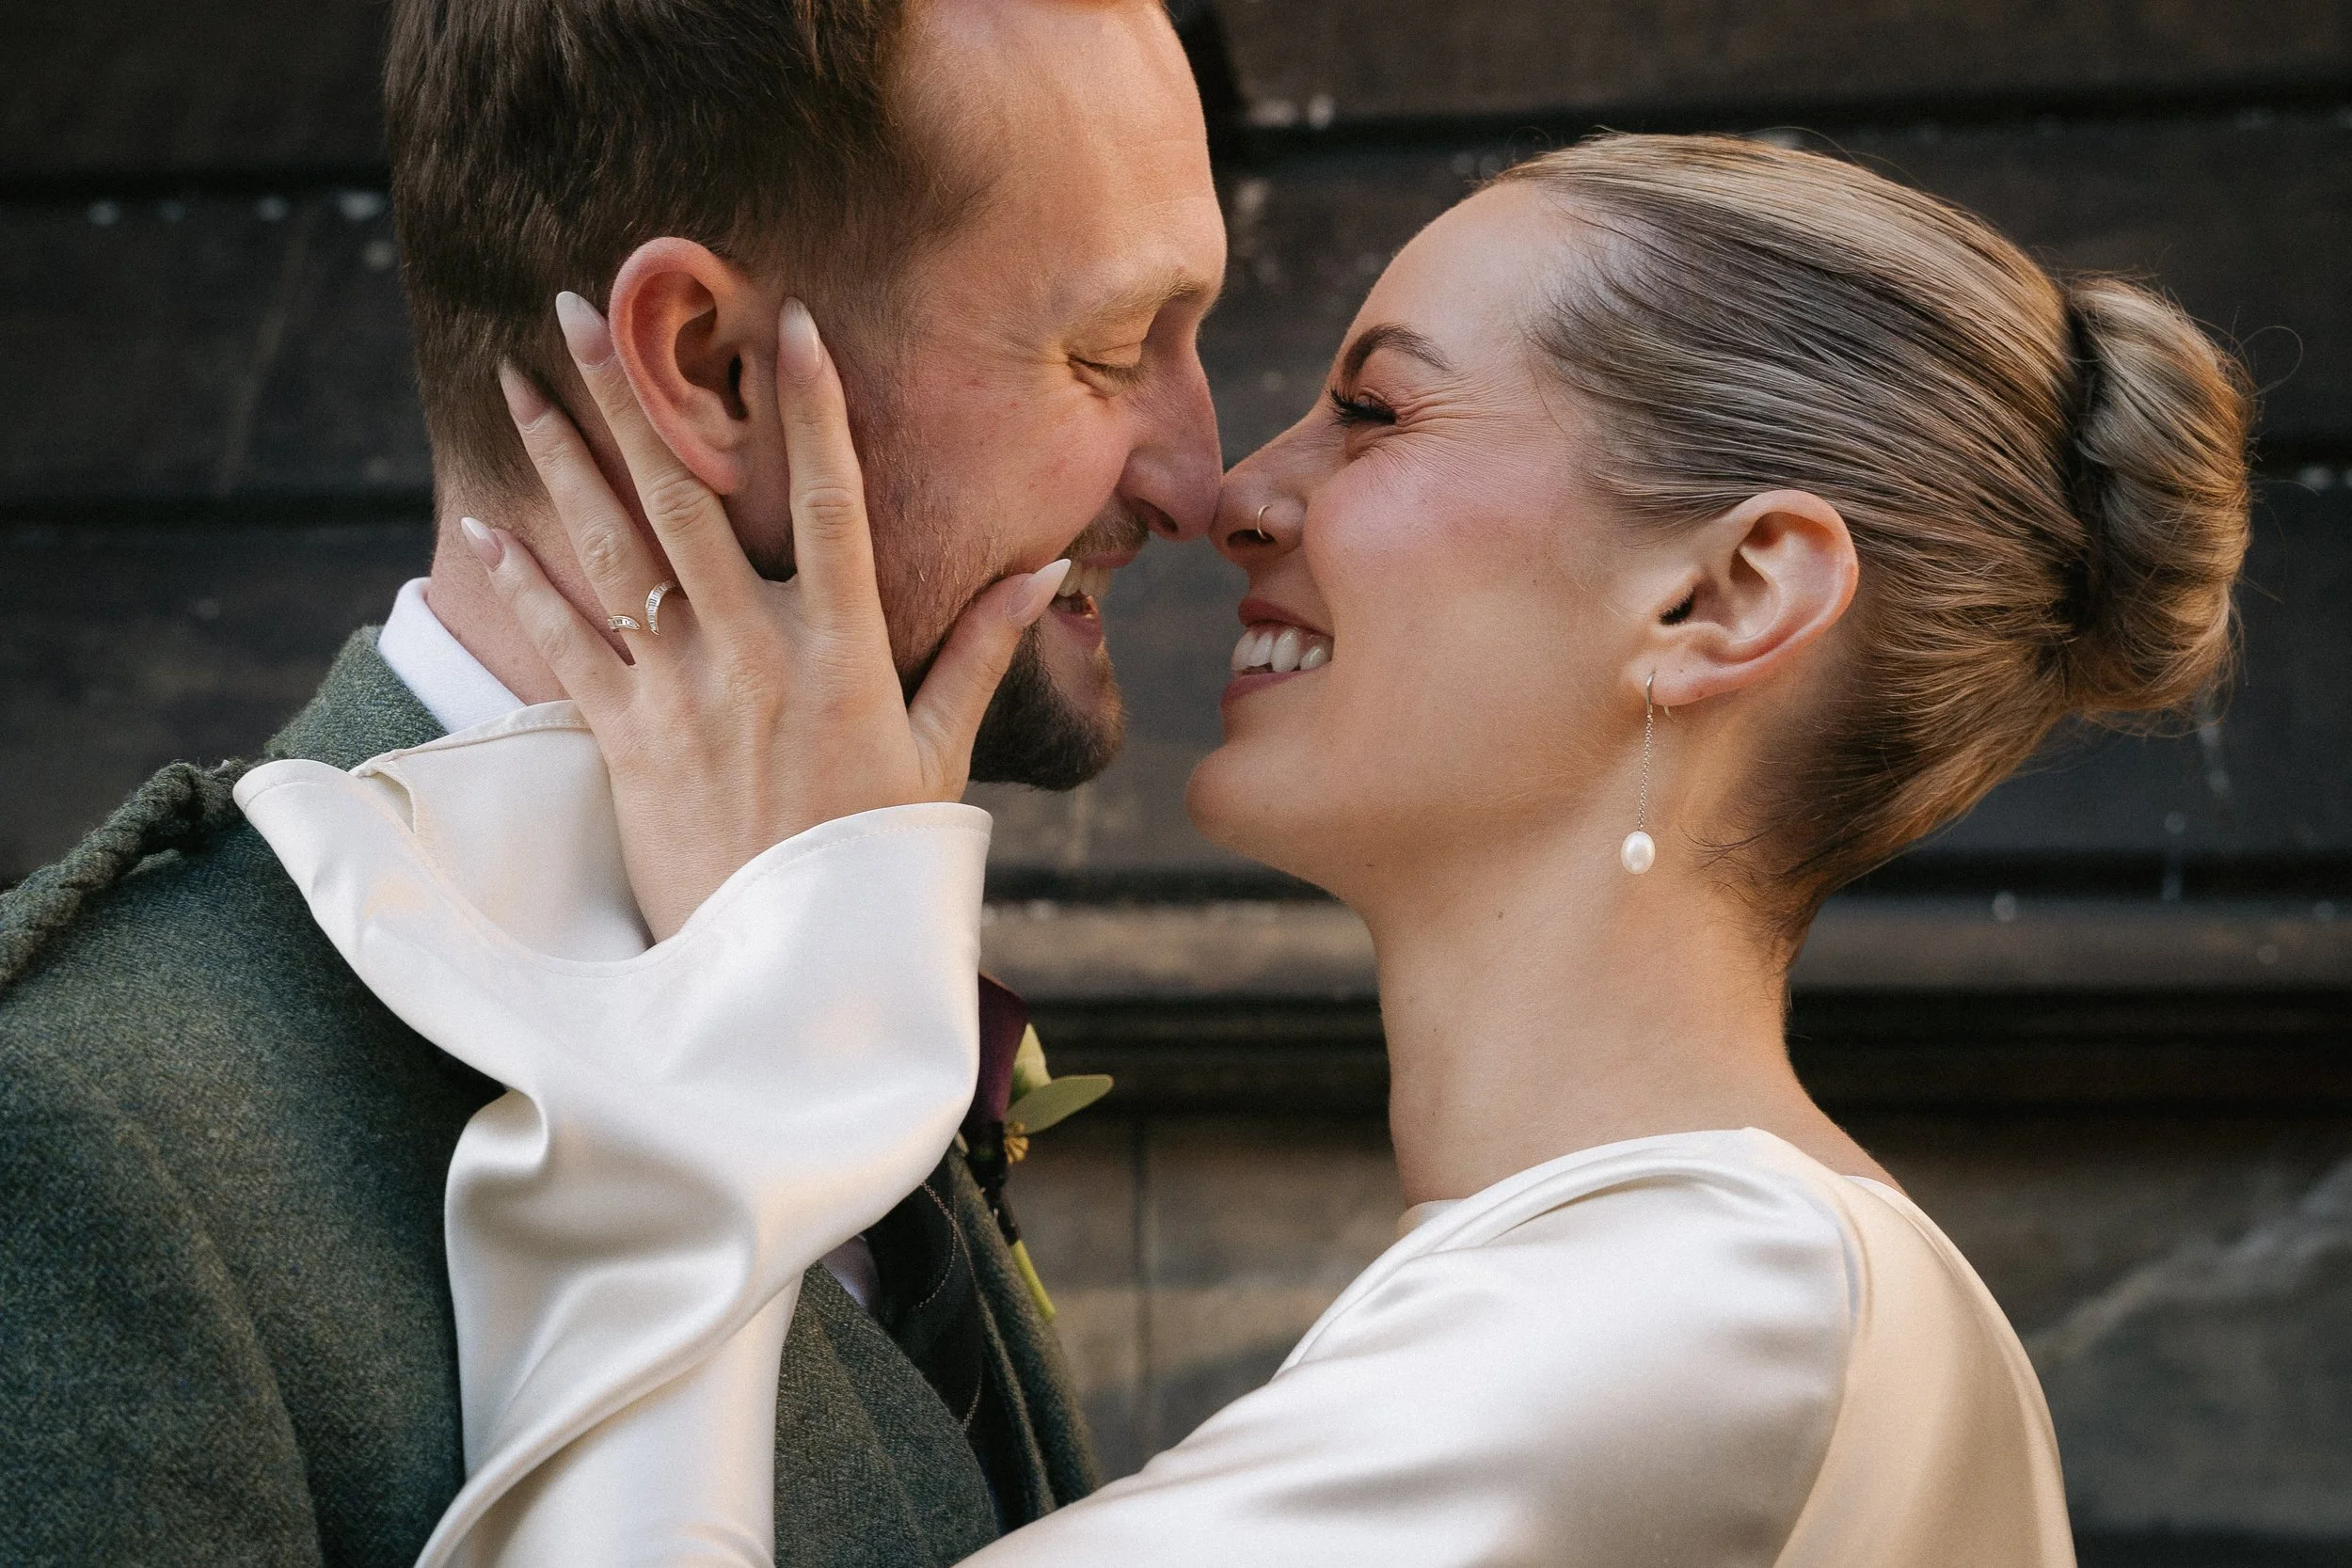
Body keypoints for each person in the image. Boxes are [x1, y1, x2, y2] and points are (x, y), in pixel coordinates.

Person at [253, 133, 2252, 1562]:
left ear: (1725, 596)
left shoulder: (1708, 1310)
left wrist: (738, 1033)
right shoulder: (1707, 1288)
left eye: (1373, 411)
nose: (1229, 491)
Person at [0, 0, 1223, 1562]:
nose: (1201, 477)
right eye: (1111, 353)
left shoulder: (853, 917)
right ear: (709, 369)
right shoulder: (95, 1138)